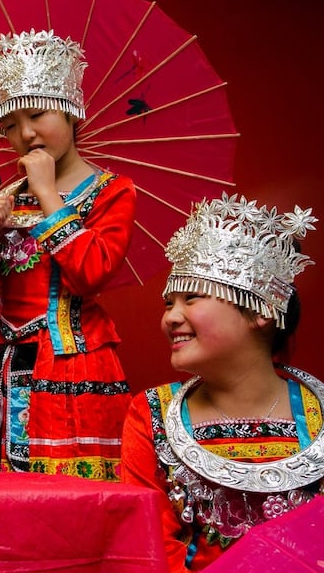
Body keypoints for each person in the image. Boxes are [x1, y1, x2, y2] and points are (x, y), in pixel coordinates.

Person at [0, 30, 136, 480]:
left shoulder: (111, 192)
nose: (25, 133)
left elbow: (90, 274)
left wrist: (50, 195)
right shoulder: (6, 196)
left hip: (71, 360)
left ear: (71, 113)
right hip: (7, 359)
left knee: (71, 496)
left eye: (37, 115)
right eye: (10, 125)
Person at [121, 193, 322, 571]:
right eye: (168, 303)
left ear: (261, 310)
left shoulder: (319, 416)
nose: (171, 318)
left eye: (191, 298)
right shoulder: (151, 414)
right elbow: (146, 547)